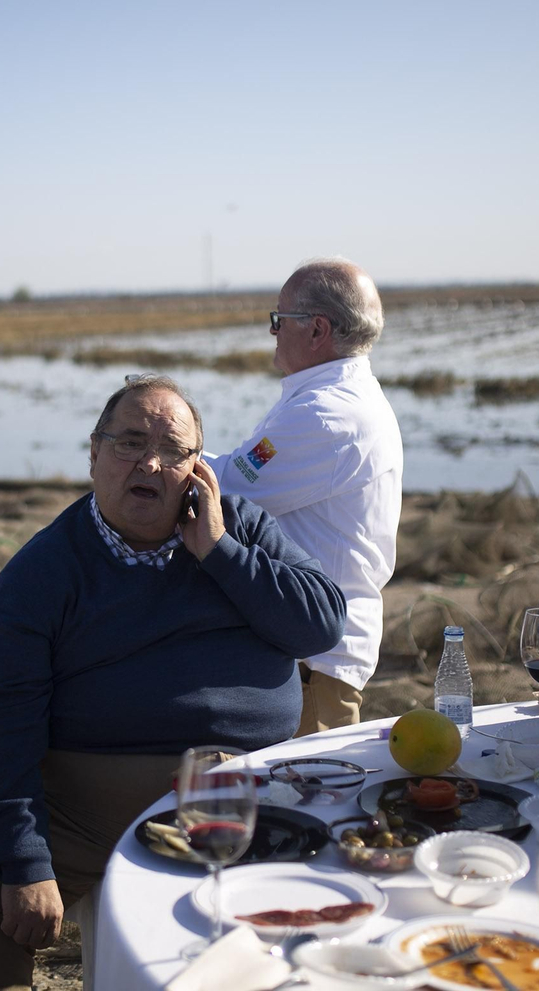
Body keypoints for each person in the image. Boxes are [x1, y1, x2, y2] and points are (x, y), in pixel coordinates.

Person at [0, 374, 346, 991]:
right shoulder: (44, 571)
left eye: (172, 450)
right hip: (87, 801)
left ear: (197, 470)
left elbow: (321, 624)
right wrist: (25, 861)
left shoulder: (240, 528)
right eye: (127, 442)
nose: (148, 462)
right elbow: (0, 722)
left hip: (245, 786)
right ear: (94, 454)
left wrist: (219, 551)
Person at [204, 258, 403, 735]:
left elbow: (229, 489)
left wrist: (162, 452)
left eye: (279, 320)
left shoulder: (325, 414)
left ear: (317, 329)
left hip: (315, 658)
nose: (272, 332)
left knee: (307, 796)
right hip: (314, 646)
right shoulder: (339, 398)